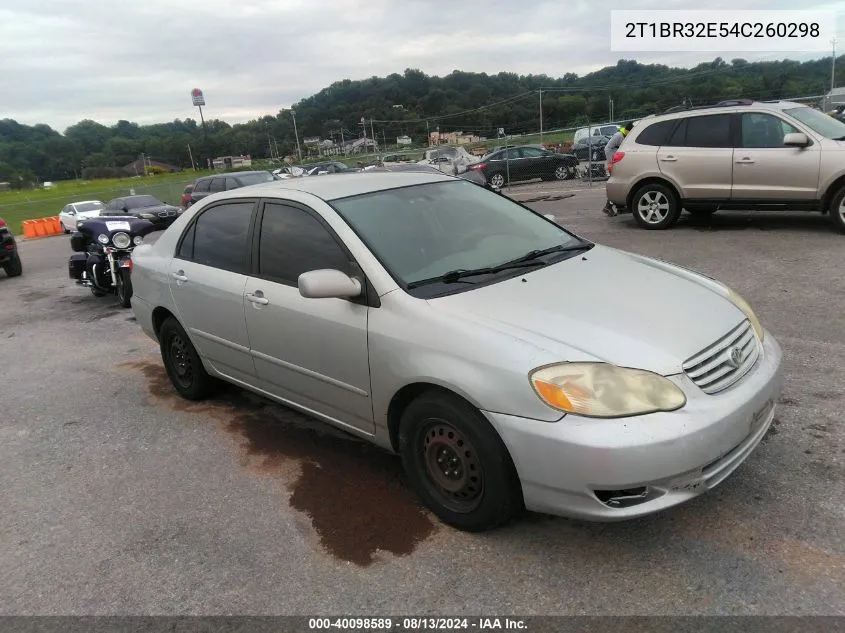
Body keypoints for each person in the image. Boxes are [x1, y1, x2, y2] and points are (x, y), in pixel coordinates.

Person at [601, 121, 634, 216]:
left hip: (620, 163)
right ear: (628, 130)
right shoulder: (618, 135)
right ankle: (608, 207)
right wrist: (611, 162)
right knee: (617, 185)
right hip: (615, 163)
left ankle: (619, 208)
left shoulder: (625, 136)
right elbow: (607, 149)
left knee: (620, 184)